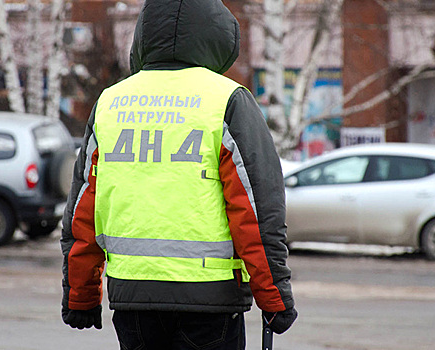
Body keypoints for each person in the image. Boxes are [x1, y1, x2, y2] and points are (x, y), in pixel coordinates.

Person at [60, 0, 296, 348]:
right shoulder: (227, 100)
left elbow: (83, 209)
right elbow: (256, 212)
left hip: (132, 297)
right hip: (209, 301)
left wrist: (80, 294)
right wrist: (274, 296)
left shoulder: (110, 103)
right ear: (217, 35)